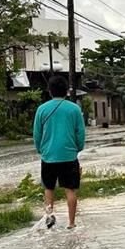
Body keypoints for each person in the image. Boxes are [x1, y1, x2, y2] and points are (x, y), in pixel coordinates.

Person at [33, 75, 86, 229]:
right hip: (69, 156)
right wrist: (78, 148)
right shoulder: (75, 109)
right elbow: (80, 133)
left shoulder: (41, 109)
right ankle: (71, 223)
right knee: (70, 190)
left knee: (49, 188)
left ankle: (49, 220)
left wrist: (41, 150)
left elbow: (37, 134)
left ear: (50, 91)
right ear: (67, 91)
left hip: (48, 156)